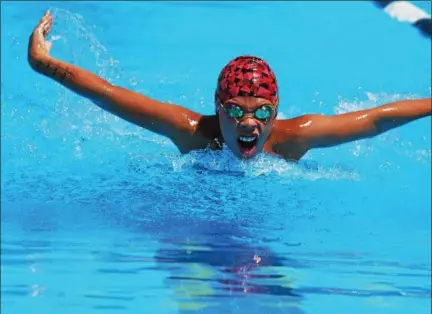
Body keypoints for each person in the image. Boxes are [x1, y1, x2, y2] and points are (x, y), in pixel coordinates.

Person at [28, 11, 431, 161]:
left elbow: (377, 119)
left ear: (277, 111)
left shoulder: (294, 138)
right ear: (218, 107)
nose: (250, 123)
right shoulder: (190, 131)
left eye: (262, 113)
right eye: (237, 110)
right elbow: (109, 95)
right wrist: (44, 64)